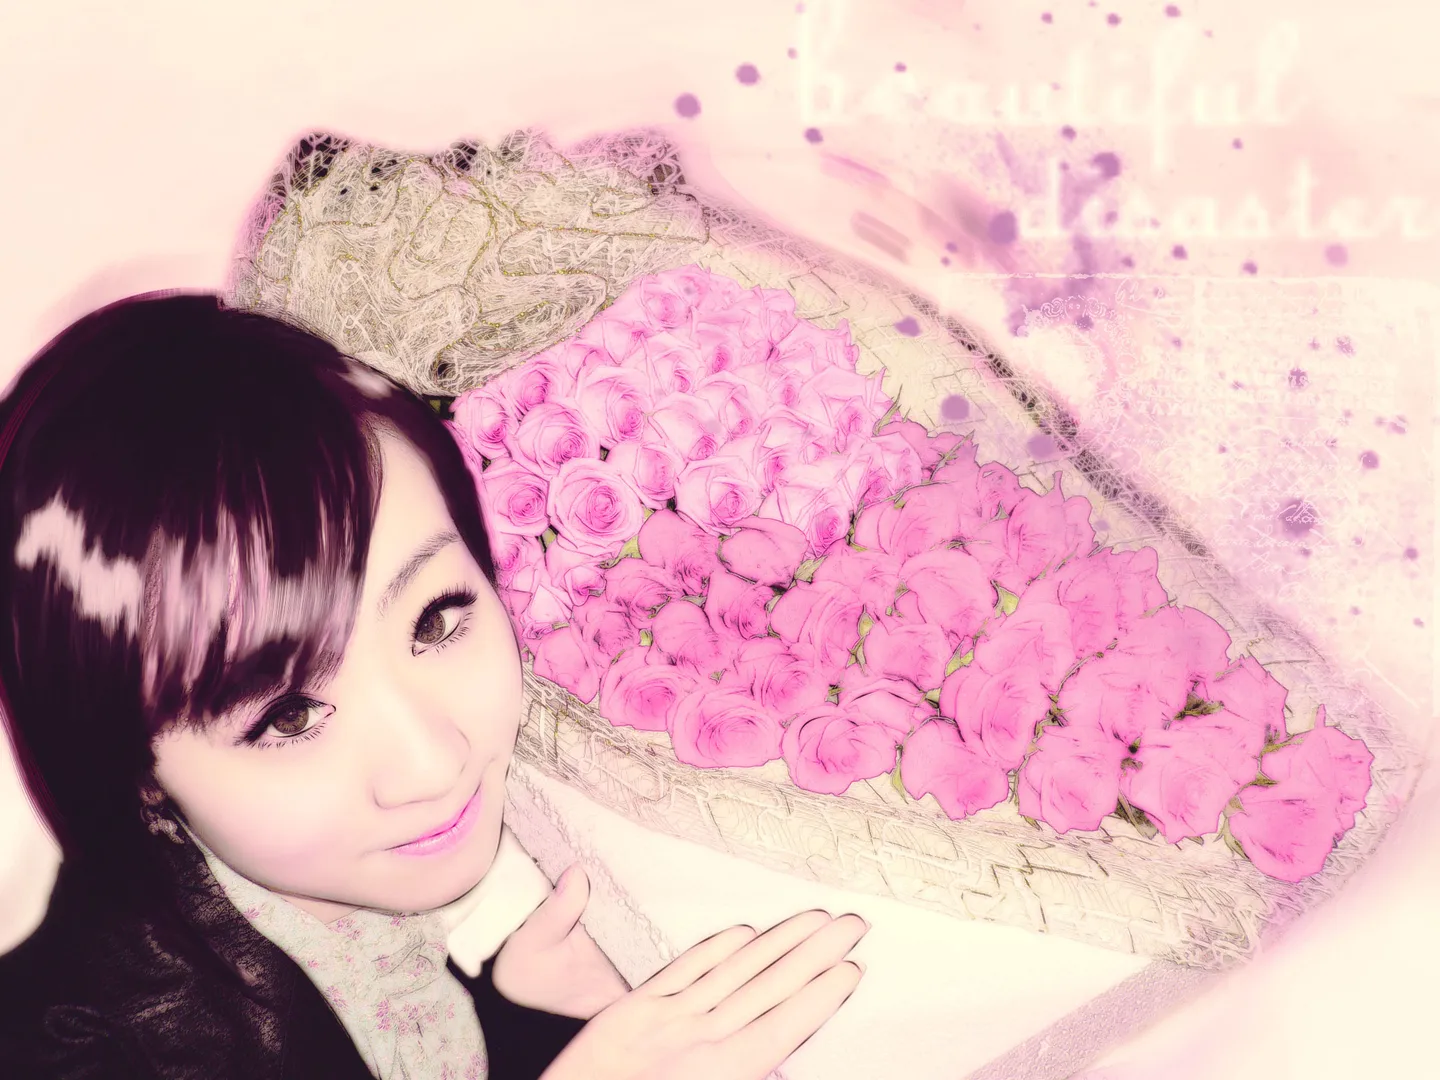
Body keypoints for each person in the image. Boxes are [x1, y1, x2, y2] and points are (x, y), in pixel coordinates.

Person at [0, 294, 867, 1079]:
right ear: (132, 769)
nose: (433, 763)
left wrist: (535, 1021)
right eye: (290, 716)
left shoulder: (394, 918)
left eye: (435, 621)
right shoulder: (64, 1048)